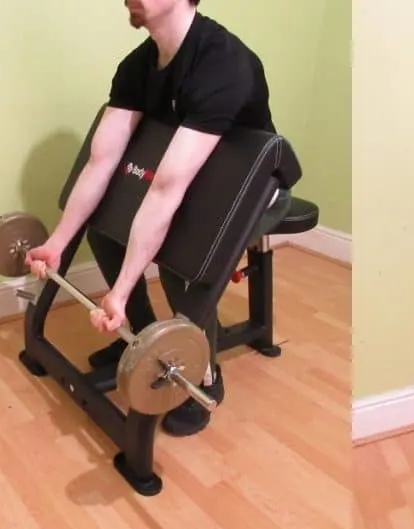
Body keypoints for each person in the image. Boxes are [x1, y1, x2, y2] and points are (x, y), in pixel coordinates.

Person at [23, 0, 287, 437]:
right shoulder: (137, 66)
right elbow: (101, 163)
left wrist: (121, 290)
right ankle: (146, 334)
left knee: (181, 258)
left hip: (253, 188)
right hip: (192, 178)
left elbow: (168, 187)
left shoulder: (223, 63)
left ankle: (203, 376)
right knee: (108, 220)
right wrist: (57, 242)